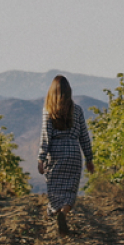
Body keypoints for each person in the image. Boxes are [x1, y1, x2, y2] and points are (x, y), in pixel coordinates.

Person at [37, 75, 94, 234]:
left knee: (54, 188)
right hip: (73, 152)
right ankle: (63, 212)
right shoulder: (78, 111)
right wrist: (89, 158)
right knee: (70, 190)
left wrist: (41, 159)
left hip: (55, 152)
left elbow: (46, 136)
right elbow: (84, 136)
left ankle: (55, 210)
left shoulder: (48, 110)